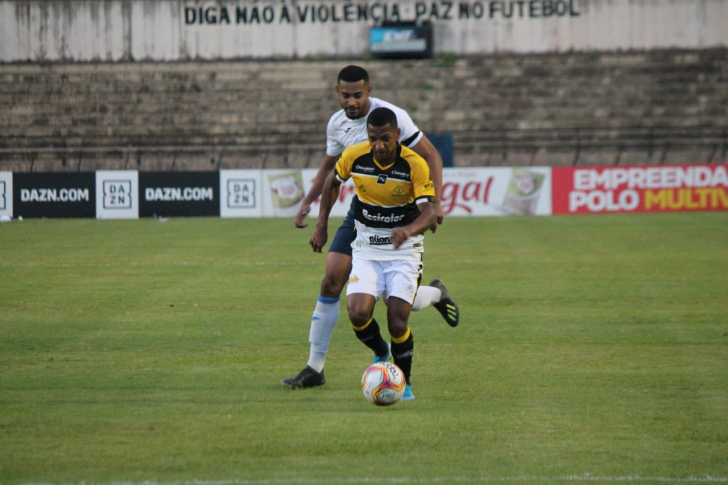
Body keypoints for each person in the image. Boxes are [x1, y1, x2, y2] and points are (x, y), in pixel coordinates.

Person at [281, 65, 459, 390]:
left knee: (396, 305)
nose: (351, 101)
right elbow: (330, 170)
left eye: (357, 95)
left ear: (369, 92)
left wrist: (437, 202)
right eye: (345, 95)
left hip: (400, 215)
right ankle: (315, 367)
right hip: (362, 213)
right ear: (337, 94)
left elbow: (430, 155)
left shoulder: (394, 118)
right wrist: (310, 205)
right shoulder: (337, 125)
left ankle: (431, 295)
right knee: (332, 280)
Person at [310, 106, 437, 400]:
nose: (378, 146)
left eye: (384, 139)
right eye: (373, 139)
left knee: (397, 320)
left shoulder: (414, 164)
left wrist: (407, 230)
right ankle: (381, 351)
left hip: (403, 252)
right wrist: (322, 224)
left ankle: (404, 383)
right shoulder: (355, 156)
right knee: (357, 314)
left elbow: (429, 213)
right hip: (366, 250)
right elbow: (331, 183)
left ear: (396, 135)